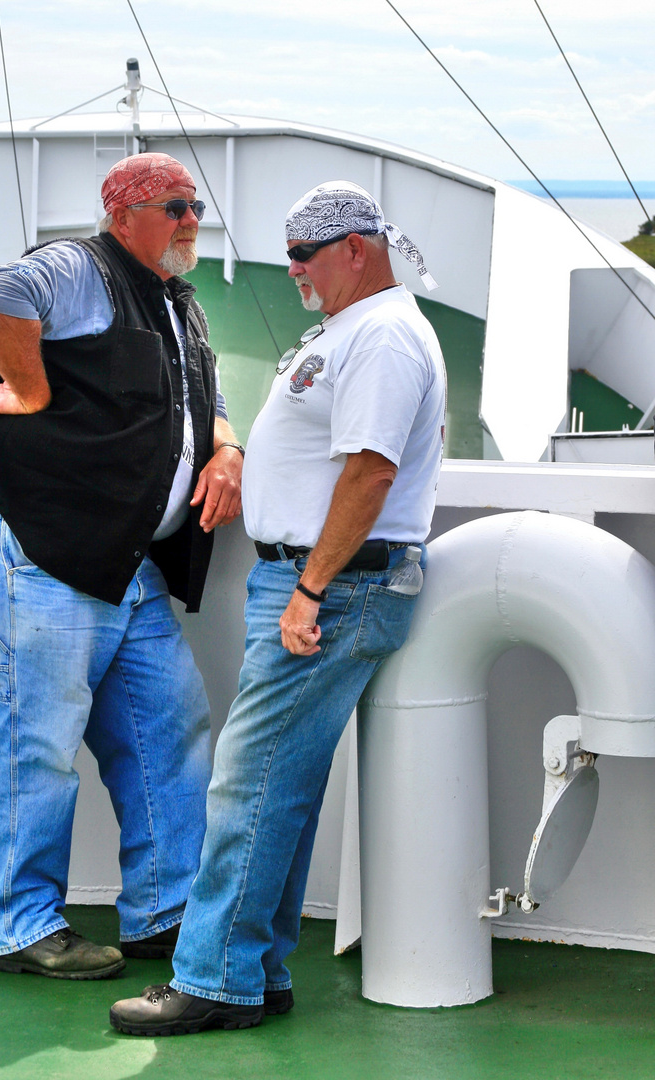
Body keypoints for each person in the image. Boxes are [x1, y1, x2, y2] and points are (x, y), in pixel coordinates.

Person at [109, 179, 447, 1033]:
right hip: (310, 583)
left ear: (355, 251)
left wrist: (308, 590)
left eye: (304, 256)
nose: (292, 269)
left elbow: (370, 472)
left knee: (247, 786)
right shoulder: (350, 329)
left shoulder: (382, 338)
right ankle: (255, 972)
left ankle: (213, 983)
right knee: (275, 790)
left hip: (331, 588)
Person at [0, 153, 244, 980]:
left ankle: (166, 912)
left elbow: (202, 399)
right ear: (126, 212)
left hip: (124, 558)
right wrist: (30, 391)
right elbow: (1, 295)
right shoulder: (79, 267)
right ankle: (23, 926)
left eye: (195, 207)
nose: (191, 221)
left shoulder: (179, 301)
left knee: (166, 734)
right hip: (44, 543)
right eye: (176, 207)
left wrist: (227, 450)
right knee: (34, 740)